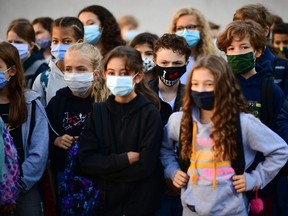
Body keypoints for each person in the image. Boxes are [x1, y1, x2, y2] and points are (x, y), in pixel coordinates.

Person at [161, 54, 288, 215]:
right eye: (195, 84)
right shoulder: (179, 121)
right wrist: (172, 170)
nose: (201, 90)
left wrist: (256, 179)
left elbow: (280, 150)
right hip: (191, 209)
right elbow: (164, 148)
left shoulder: (244, 122)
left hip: (232, 210)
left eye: (209, 84)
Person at [77, 45, 162, 216]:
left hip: (141, 204)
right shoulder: (98, 112)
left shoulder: (149, 113)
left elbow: (146, 167)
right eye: (112, 72)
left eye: (124, 73)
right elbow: (86, 161)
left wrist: (105, 171)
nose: (117, 78)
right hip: (105, 204)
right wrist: (123, 159)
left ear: (137, 77)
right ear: (105, 74)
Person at [217, 19, 286, 216]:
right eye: (231, 48)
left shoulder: (270, 90)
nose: (237, 53)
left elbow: (278, 135)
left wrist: (260, 176)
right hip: (225, 179)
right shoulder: (222, 88)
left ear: (257, 51)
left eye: (244, 47)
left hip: (261, 181)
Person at [45, 42, 110, 215]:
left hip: (100, 179)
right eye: (69, 69)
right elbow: (43, 137)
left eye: (81, 69)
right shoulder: (58, 101)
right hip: (66, 179)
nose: (74, 75)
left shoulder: (108, 102)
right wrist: (57, 140)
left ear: (95, 73)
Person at [0, 41, 49, 216]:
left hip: (24, 186)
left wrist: (16, 185)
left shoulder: (30, 103)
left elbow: (39, 150)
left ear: (12, 71)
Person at [150, 33, 190, 216]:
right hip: (149, 182)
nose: (170, 68)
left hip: (185, 181)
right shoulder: (142, 95)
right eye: (164, 63)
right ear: (155, 61)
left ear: (187, 63)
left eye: (177, 63)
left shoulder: (193, 97)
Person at [233, 3, 288, 96]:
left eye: (250, 27)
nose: (242, 33)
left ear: (265, 31)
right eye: (237, 28)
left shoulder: (282, 67)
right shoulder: (229, 68)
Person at [32, 16, 84, 106]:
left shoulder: (89, 77)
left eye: (67, 41)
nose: (59, 46)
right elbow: (39, 116)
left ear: (79, 43)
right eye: (55, 41)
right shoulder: (43, 80)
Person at [169, 7, 218, 84]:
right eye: (180, 28)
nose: (185, 32)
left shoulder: (212, 61)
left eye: (190, 27)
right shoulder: (168, 61)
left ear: (202, 29)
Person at [6, 19, 49, 89]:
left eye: (18, 42)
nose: (13, 46)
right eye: (10, 42)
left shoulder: (41, 69)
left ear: (31, 46)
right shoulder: (5, 67)